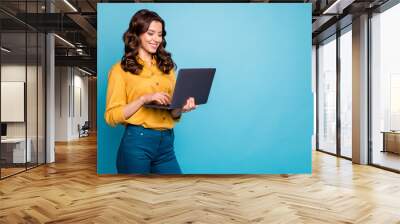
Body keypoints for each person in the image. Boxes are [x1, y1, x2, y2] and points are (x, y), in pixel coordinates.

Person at [104, 9, 196, 174]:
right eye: (151, 33)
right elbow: (111, 117)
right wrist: (143, 99)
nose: (156, 39)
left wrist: (182, 108)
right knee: (137, 197)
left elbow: (172, 112)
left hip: (166, 143)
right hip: (137, 143)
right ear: (137, 34)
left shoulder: (167, 68)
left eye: (160, 35)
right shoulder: (119, 70)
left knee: (176, 193)